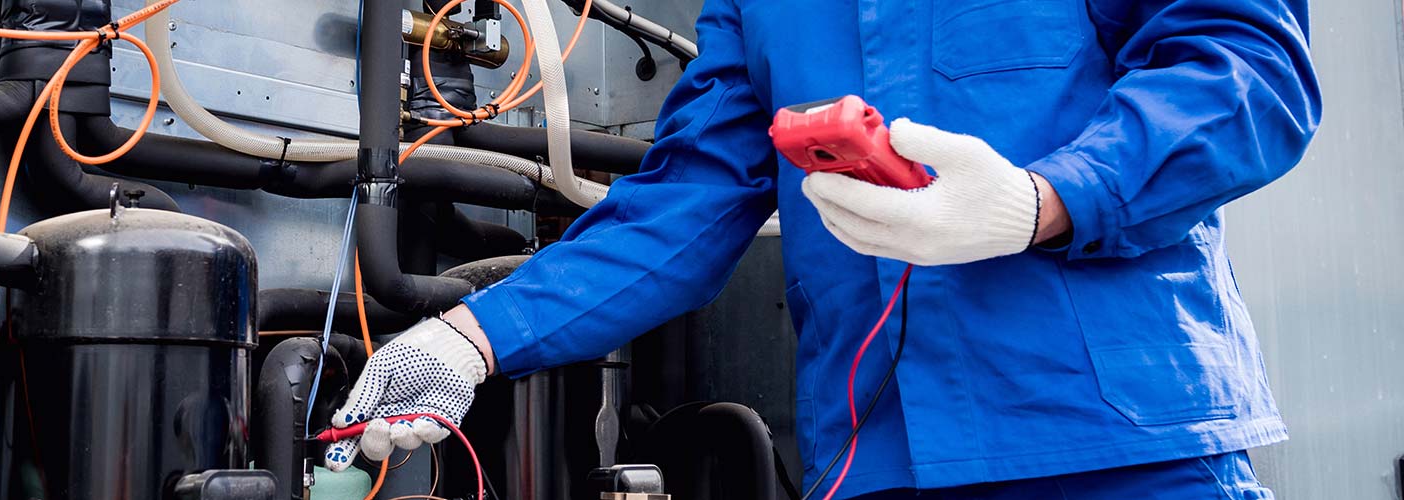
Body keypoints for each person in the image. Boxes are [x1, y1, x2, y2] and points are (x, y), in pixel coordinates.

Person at [323, 0, 1321, 498]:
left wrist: (1046, 199)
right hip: (876, 459)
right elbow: (692, 193)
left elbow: (1247, 64)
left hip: (1117, 449)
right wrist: (469, 338)